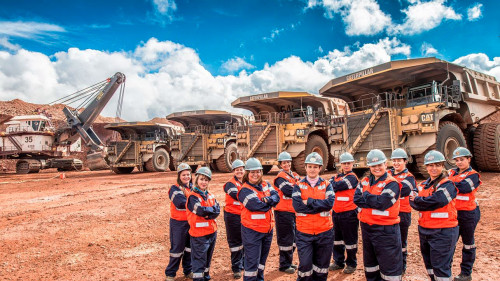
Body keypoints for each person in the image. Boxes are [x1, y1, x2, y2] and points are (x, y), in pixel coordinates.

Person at [353, 149, 403, 281]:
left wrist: (367, 196)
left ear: (386, 164)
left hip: (386, 231)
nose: (377, 168)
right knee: (371, 265)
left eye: (379, 165)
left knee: (389, 267)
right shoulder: (365, 181)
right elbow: (356, 199)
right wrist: (372, 199)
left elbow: (382, 203)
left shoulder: (392, 183)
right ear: (369, 166)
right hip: (367, 228)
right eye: (373, 166)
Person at [409, 150, 459, 281]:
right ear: (426, 167)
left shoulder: (448, 184)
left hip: (443, 232)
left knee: (441, 268)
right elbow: (412, 201)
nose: (434, 168)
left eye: (437, 165)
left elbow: (438, 201)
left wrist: (419, 200)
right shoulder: (422, 185)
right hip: (425, 230)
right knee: (430, 265)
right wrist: (421, 202)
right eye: (430, 165)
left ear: (442, 166)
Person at [292, 152, 335, 281]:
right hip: (304, 233)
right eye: (310, 166)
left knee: (322, 267)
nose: (312, 169)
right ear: (305, 167)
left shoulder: (327, 185)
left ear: (320, 168)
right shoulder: (298, 186)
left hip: (325, 232)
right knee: (305, 265)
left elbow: (329, 204)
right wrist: (319, 206)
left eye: (315, 167)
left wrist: (309, 202)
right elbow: (298, 207)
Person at [238, 158, 280, 281]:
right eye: (252, 172)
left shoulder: (266, 184)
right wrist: (268, 201)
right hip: (252, 231)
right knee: (252, 263)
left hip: (267, 230)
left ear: (261, 172)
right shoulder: (244, 190)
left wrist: (265, 200)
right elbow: (255, 206)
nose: (255, 175)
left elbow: (276, 197)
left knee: (261, 262)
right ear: (247, 173)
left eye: (258, 171)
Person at [448, 147, 481, 281]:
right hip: (453, 213)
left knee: (468, 243)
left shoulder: (473, 175)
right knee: (450, 242)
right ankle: (445, 270)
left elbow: (464, 188)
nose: (459, 162)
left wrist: (449, 185)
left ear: (469, 159)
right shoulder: (451, 172)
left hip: (468, 213)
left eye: (462, 159)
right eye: (457, 160)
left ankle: (466, 273)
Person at [186, 167, 220, 281]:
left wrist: (208, 212)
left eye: (206, 180)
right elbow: (200, 211)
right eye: (201, 179)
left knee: (207, 259)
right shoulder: (192, 197)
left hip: (212, 232)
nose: (204, 182)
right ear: (196, 180)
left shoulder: (210, 195)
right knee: (199, 261)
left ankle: (206, 277)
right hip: (199, 235)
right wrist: (210, 211)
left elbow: (217, 211)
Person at [329, 152, 359, 274]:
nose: (346, 165)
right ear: (340, 164)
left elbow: (336, 186)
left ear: (352, 164)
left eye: (349, 163)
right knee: (337, 240)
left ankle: (351, 263)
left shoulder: (353, 177)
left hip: (349, 213)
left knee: (350, 240)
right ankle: (338, 261)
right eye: (344, 163)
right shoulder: (336, 177)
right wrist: (333, 184)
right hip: (336, 213)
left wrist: (333, 184)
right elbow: (332, 185)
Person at [388, 148, 416, 275]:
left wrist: (386, 189)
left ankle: (401, 266)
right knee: (390, 240)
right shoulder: (388, 173)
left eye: (399, 161)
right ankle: (391, 264)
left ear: (405, 161)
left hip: (403, 213)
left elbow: (402, 190)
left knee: (401, 241)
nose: (396, 163)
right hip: (389, 214)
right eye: (394, 161)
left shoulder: (409, 177)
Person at [273, 151, 301, 274]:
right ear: (280, 164)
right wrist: (299, 189)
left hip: (292, 211)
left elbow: (303, 186)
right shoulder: (280, 177)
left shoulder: (294, 175)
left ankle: (288, 261)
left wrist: (299, 188)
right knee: (286, 239)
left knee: (293, 238)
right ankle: (284, 265)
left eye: (288, 162)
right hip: (283, 212)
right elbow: (287, 190)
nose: (287, 164)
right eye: (284, 162)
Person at [165, 163, 194, 281]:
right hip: (178, 224)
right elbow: (180, 202)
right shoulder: (174, 189)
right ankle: (170, 274)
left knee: (189, 248)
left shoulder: (193, 188)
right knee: (177, 249)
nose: (186, 177)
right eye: (184, 175)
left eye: (188, 174)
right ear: (179, 176)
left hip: (191, 223)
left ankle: (188, 271)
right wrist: (195, 202)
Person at [223, 159, 246, 279]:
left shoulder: (246, 182)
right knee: (236, 243)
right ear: (234, 171)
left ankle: (242, 264)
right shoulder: (230, 184)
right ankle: (236, 268)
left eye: (241, 169)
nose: (239, 171)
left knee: (245, 240)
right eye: (237, 170)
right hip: (232, 216)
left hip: (244, 216)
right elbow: (236, 195)